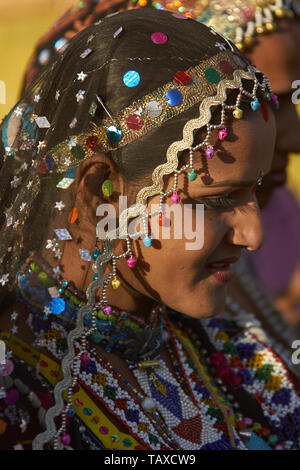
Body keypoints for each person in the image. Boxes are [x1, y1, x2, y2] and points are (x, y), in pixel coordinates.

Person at [1, 8, 299, 451]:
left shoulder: (236, 357)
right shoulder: (19, 393)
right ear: (100, 190)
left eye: (253, 193)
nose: (253, 235)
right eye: (217, 199)